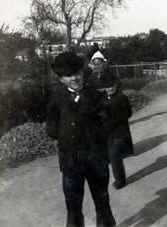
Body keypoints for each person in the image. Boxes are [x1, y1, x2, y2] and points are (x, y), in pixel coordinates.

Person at [46, 52, 116, 227]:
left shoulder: (96, 97)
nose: (74, 78)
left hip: (96, 159)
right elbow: (52, 130)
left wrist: (94, 137)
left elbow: (108, 123)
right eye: (68, 75)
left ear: (83, 72)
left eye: (77, 73)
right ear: (61, 79)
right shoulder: (56, 99)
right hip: (71, 161)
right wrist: (69, 136)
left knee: (102, 201)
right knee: (73, 206)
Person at [95, 76, 133, 190]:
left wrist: (114, 121)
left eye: (112, 86)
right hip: (107, 132)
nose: (110, 89)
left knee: (114, 154)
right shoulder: (102, 98)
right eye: (107, 87)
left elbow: (128, 113)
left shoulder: (122, 97)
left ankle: (120, 179)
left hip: (119, 131)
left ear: (116, 85)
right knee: (109, 154)